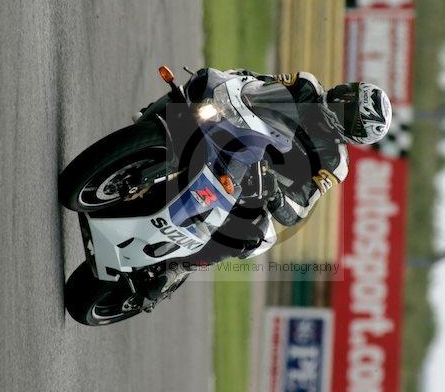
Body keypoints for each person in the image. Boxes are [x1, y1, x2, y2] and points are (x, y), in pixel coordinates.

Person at [132, 68, 393, 299]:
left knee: (256, 235)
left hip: (253, 181)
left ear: (353, 131)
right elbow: (253, 80)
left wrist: (274, 193)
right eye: (349, 92)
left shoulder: (334, 163)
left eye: (349, 108)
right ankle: (150, 124)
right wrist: (225, 81)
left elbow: (298, 210)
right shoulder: (306, 86)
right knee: (204, 80)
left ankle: (179, 267)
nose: (341, 98)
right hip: (239, 132)